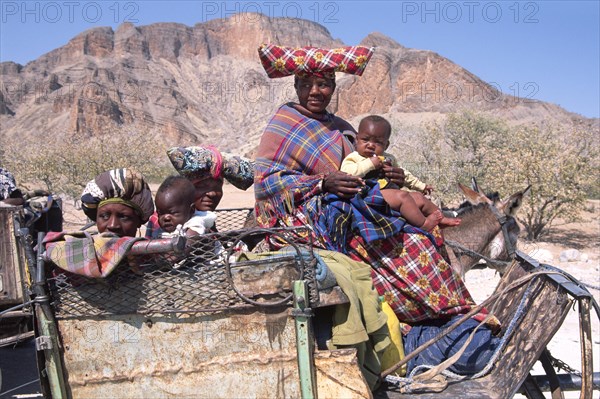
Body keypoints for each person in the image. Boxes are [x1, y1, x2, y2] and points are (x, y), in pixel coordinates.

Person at [255, 44, 500, 379]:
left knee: (422, 239)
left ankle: (451, 313)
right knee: (403, 251)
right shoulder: (284, 121)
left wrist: (394, 178)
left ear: (334, 87)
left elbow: (367, 168)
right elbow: (266, 183)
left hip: (354, 209)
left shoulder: (342, 128)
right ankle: (420, 325)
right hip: (308, 220)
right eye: (307, 83)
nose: (316, 91)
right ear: (296, 85)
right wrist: (322, 184)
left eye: (324, 83)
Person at [340, 115, 460, 231]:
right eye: (365, 140)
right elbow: (347, 173)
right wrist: (370, 164)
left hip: (389, 195)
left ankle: (441, 218)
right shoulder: (354, 158)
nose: (371, 145)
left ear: (386, 145)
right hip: (368, 196)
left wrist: (421, 186)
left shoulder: (388, 158)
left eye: (378, 142)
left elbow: (404, 174)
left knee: (419, 197)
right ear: (356, 140)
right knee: (403, 196)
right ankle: (424, 224)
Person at [145, 145, 254, 238]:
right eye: (202, 186)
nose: (212, 193)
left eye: (218, 187)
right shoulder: (163, 221)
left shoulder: (204, 218)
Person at [81, 168, 154, 237]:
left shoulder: (155, 249)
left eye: (124, 217)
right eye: (105, 216)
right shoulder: (81, 249)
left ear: (138, 221)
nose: (112, 225)